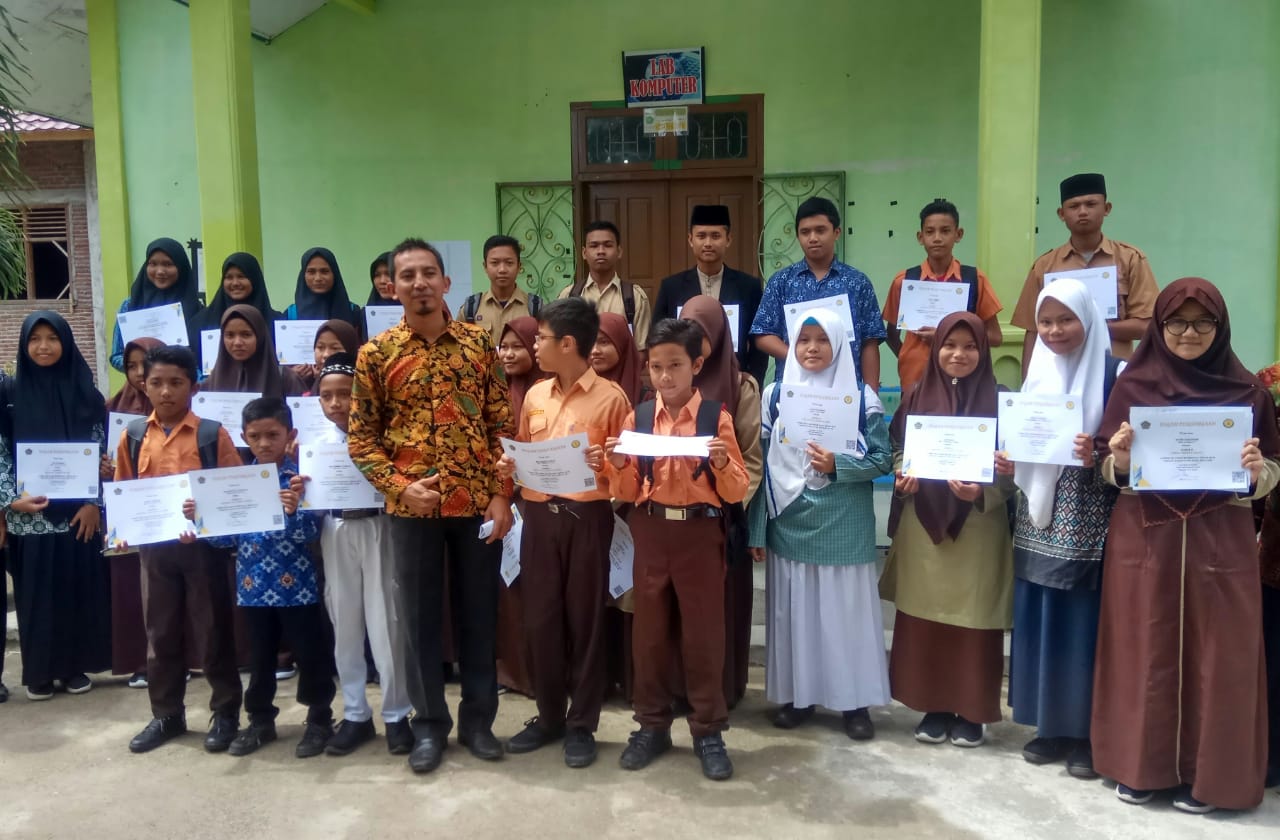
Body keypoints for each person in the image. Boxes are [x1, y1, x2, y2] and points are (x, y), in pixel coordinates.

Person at [1093, 277, 1279, 814]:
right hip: (1144, 536)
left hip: (1221, 537)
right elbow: (1106, 465)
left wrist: (1256, 472)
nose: (1189, 333)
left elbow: (1272, 469)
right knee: (1141, 645)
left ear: (1221, 327)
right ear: (1159, 326)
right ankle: (1142, 768)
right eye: (1177, 321)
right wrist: (1119, 461)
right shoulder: (1132, 388)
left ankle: (1212, 778)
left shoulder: (1249, 393)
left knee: (1220, 654)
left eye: (1203, 322)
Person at [348, 237, 514, 774]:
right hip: (412, 509)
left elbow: (500, 425)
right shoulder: (376, 354)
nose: (419, 283)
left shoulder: (478, 344)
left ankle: (479, 723)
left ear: (446, 282)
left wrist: (501, 494)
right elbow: (361, 440)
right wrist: (399, 487)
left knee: (478, 617)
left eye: (428, 273)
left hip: (475, 505)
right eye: (407, 275)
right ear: (392, 287)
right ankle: (429, 727)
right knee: (418, 621)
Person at [607, 318, 750, 781]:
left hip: (699, 534)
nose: (664, 376)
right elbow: (626, 491)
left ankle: (708, 730)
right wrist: (617, 464)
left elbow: (735, 491)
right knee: (649, 636)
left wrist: (722, 463)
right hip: (651, 531)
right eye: (655, 367)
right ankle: (652, 725)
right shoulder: (639, 419)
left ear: (697, 366)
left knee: (703, 636)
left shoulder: (713, 418)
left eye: (675, 366)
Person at [496, 297, 631, 768]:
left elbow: (625, 472)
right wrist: (509, 466)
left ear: (568, 343)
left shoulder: (612, 399)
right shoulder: (535, 395)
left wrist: (607, 464)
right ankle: (549, 716)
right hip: (538, 519)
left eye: (542, 338)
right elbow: (522, 451)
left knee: (586, 622)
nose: (535, 345)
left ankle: (582, 724)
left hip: (587, 519)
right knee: (540, 620)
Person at [749, 307, 892, 738]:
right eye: (804, 340)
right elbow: (762, 465)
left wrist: (837, 465)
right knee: (797, 616)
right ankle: (799, 697)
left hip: (842, 521)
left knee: (844, 616)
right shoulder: (775, 395)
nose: (812, 348)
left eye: (823, 339)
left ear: (840, 343)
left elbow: (882, 459)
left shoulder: (861, 397)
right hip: (789, 517)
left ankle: (854, 705)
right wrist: (757, 530)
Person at [999, 279, 1119, 779]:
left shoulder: (1116, 376)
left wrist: (1101, 451)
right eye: (1045, 322)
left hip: (1090, 523)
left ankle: (1089, 734)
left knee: (1085, 624)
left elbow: (1128, 450)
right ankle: (1049, 726)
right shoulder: (1037, 376)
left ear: (1087, 318)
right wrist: (1010, 462)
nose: (1054, 331)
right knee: (1041, 616)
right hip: (1038, 520)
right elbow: (1024, 443)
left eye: (1065, 319)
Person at [880, 312, 1013, 749]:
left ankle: (972, 711)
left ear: (984, 351)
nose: (959, 354)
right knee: (926, 618)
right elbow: (898, 448)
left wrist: (985, 490)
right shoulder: (916, 394)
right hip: (924, 523)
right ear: (936, 349)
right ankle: (933, 705)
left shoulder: (1001, 401)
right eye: (950, 345)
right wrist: (903, 475)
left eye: (970, 346)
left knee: (974, 619)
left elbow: (1015, 468)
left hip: (979, 524)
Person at [184, 398, 335, 758]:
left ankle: (319, 719)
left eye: (273, 435)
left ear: (290, 435)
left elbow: (311, 534)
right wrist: (199, 521)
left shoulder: (301, 479)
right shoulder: (237, 482)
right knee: (260, 657)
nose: (264, 443)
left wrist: (295, 511)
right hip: (252, 588)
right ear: (243, 437)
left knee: (310, 654)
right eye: (255, 436)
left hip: (297, 586)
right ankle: (260, 720)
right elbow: (226, 540)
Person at [115, 345, 245, 754]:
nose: (166, 391)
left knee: (212, 630)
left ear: (194, 386)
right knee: (160, 632)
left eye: (176, 382)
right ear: (144, 385)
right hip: (155, 552)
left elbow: (233, 493)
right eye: (156, 383)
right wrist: (122, 530)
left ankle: (225, 712)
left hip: (202, 551)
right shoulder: (134, 435)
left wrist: (205, 516)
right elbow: (123, 492)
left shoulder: (211, 434)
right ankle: (167, 714)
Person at [292, 353, 414, 756]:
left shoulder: (384, 438)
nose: (336, 403)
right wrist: (301, 491)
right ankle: (357, 714)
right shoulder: (315, 447)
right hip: (336, 529)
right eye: (327, 396)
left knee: (385, 621)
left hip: (378, 527)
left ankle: (396, 714)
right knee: (344, 621)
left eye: (345, 394)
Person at [0, 311, 111, 700]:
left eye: (52, 338)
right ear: (23, 345)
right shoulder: (9, 395)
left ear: (66, 343)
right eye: (35, 339)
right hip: (29, 515)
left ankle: (74, 667)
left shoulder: (85, 393)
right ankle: (40, 672)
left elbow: (99, 446)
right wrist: (11, 499)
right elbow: (1, 452)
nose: (43, 347)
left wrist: (93, 502)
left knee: (74, 591)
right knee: (36, 597)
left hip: (77, 514)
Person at [679, 296, 763, 708]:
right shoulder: (667, 382)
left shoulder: (741, 386)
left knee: (719, 611)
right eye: (687, 329)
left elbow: (751, 459)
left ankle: (720, 691)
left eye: (702, 332)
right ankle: (679, 690)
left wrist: (726, 505)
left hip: (723, 520)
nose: (694, 339)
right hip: (677, 521)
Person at [1012, 173, 1159, 377]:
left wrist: (1088, 326)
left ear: (1106, 208)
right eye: (1074, 206)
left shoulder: (1130, 259)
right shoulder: (1044, 266)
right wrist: (1028, 384)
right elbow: (1033, 330)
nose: (1082, 212)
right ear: (1061, 214)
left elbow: (1147, 326)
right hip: (1059, 375)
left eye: (1091, 204)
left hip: (1114, 374)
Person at [749, 197, 885, 389]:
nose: (812, 238)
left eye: (820, 230)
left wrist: (871, 394)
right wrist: (799, 357)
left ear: (836, 233)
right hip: (794, 387)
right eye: (805, 232)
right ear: (798, 236)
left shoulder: (857, 282)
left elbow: (869, 342)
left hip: (845, 390)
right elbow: (763, 334)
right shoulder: (781, 282)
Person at [880, 199, 1003, 391]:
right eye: (930, 232)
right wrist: (907, 356)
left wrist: (947, 337)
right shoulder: (904, 281)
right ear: (920, 237)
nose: (937, 238)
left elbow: (995, 337)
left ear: (958, 234)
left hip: (963, 382)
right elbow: (890, 334)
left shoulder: (974, 280)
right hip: (916, 381)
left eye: (945, 231)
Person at [106, 336, 165, 688]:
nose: (140, 373)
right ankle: (141, 661)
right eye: (131, 366)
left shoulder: (185, 409)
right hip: (135, 517)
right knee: (134, 587)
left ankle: (185, 658)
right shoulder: (112, 408)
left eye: (147, 364)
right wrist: (101, 467)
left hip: (173, 515)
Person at [655, 205, 768, 385]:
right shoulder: (671, 287)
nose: (708, 243)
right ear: (690, 240)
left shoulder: (748, 286)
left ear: (728, 239)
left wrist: (752, 380)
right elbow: (659, 337)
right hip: (686, 383)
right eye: (701, 236)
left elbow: (758, 341)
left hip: (734, 381)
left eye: (715, 236)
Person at [494, 316, 542, 698]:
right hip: (500, 501)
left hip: (534, 502)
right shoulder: (493, 389)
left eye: (517, 347)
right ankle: (509, 671)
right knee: (506, 592)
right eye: (504, 347)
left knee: (535, 591)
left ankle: (539, 672)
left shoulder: (544, 393)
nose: (508, 354)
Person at [109, 238, 202, 372]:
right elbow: (117, 355)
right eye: (153, 264)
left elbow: (204, 361)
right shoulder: (129, 306)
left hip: (183, 382)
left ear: (180, 267)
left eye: (168, 264)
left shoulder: (197, 310)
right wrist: (145, 366)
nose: (160, 271)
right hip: (141, 383)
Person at [558, 221, 652, 348]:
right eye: (594, 246)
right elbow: (560, 346)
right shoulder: (568, 296)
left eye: (608, 245)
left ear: (619, 251)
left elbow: (641, 350)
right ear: (584, 253)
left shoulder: (635, 297)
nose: (601, 251)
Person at [191, 253, 281, 374]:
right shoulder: (201, 321)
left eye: (241, 276)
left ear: (254, 279)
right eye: (229, 277)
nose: (235, 283)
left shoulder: (277, 322)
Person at [205, 305, 307, 399]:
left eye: (246, 334)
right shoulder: (211, 383)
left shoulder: (286, 379)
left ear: (260, 336)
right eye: (230, 335)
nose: (237, 342)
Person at [462, 235, 545, 346]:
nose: (502, 270)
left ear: (519, 266)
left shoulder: (536, 308)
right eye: (495, 263)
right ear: (485, 266)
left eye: (509, 263)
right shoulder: (470, 309)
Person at [285, 247, 362, 333]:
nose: (318, 278)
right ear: (303, 275)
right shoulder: (291, 314)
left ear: (334, 274)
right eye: (311, 272)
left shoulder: (353, 312)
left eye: (324, 271)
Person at [590, 313, 644, 406]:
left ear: (622, 344)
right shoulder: (576, 392)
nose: (594, 350)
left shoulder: (646, 400)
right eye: (590, 343)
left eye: (604, 342)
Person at [296, 319, 362, 393]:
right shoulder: (308, 381)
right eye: (320, 347)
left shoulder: (363, 386)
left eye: (335, 348)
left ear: (351, 351)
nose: (326, 354)